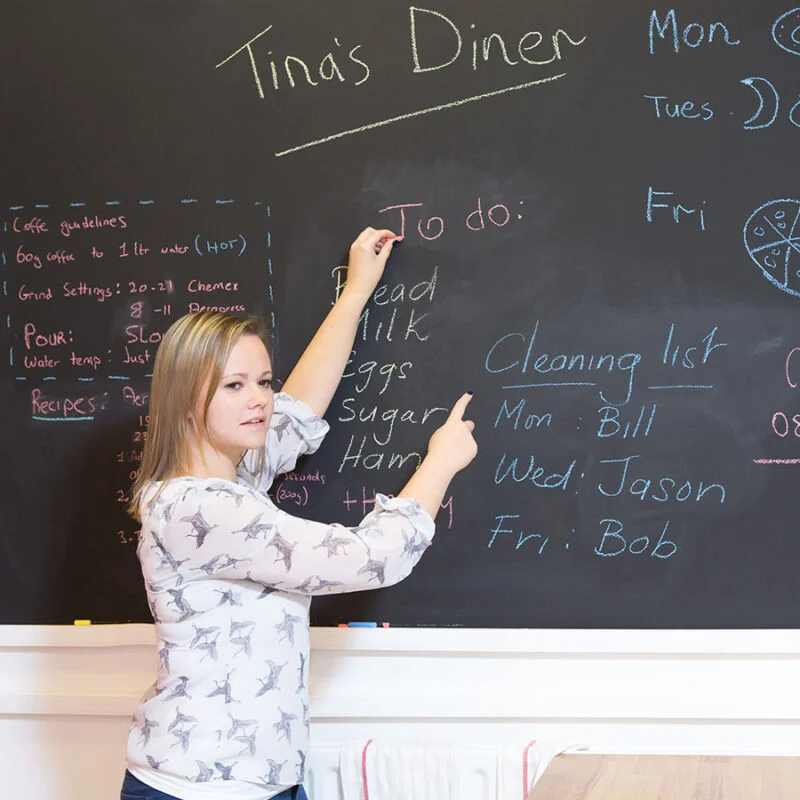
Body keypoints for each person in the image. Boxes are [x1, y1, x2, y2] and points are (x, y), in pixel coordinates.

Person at [120, 227, 478, 800]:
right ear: (188, 398)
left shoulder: (231, 476)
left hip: (259, 779)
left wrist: (357, 290)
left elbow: (299, 409)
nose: (259, 398)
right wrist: (442, 462)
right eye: (234, 385)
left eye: (262, 380)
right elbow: (370, 559)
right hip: (204, 787)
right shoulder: (204, 510)